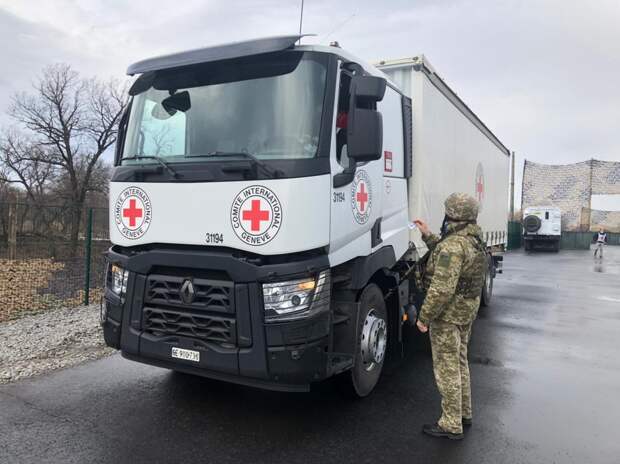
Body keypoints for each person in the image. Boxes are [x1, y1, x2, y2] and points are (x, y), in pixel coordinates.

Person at [413, 193, 487, 440]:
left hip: (448, 314)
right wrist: (427, 234)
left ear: (452, 214)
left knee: (447, 367)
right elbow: (447, 252)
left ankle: (450, 424)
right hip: (466, 311)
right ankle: (464, 414)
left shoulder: (453, 246)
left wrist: (424, 317)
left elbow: (442, 289)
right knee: (460, 361)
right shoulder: (473, 238)